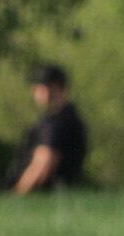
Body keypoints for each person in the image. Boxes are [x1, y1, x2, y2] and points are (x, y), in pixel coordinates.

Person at [11, 61, 90, 192]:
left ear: (48, 89)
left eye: (37, 88)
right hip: (63, 194)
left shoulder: (55, 123)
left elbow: (43, 163)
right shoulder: (71, 117)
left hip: (48, 193)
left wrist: (18, 194)